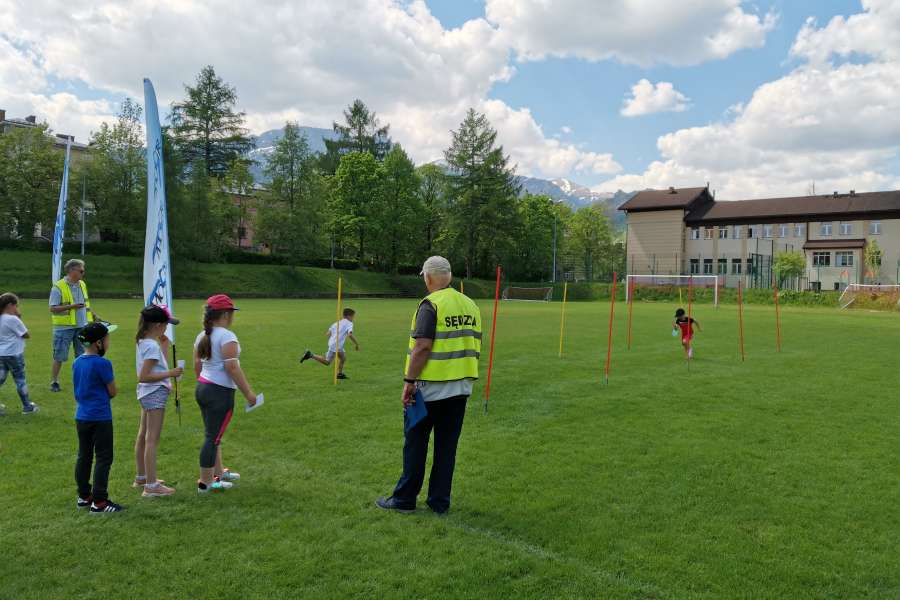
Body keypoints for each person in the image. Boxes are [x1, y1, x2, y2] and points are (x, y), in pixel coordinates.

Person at [376, 256, 481, 515]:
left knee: (415, 444)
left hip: (428, 389)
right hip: (460, 388)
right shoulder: (470, 304)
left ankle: (404, 499)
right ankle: (439, 502)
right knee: (447, 449)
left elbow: (422, 346)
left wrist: (409, 381)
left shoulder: (430, 304)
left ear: (429, 277)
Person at [193, 294, 258, 494]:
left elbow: (197, 364)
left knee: (213, 434)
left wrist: (203, 382)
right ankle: (206, 483)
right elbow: (232, 368)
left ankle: (218, 473)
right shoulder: (227, 336)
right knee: (212, 437)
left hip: (203, 387)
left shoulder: (202, 335)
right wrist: (249, 394)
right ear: (225, 314)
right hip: (219, 392)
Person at [73, 321, 124, 513]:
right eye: (107, 339)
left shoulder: (77, 361)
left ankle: (84, 496)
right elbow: (112, 391)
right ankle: (100, 501)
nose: (109, 342)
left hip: (82, 416)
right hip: (100, 417)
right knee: (103, 457)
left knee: (84, 456)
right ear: (98, 343)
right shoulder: (103, 363)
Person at [133, 305, 183, 497]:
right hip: (154, 392)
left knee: (143, 435)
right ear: (157, 325)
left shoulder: (143, 342)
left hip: (146, 393)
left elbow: (156, 365)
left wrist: (164, 346)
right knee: (152, 439)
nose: (166, 328)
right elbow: (144, 376)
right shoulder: (151, 346)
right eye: (165, 325)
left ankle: (142, 477)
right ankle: (151, 486)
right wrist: (171, 373)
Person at [49, 259, 100, 392]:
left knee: (82, 356)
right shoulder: (58, 287)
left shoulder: (82, 284)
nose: (83, 273)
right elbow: (52, 308)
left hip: (82, 326)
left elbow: (85, 304)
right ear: (72, 270)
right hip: (63, 328)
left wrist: (94, 315)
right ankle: (54, 382)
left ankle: (82, 381)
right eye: (81, 271)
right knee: (59, 356)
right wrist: (72, 306)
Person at [0, 293, 39, 414]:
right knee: (20, 380)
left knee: (1, 379)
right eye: (16, 306)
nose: (17, 308)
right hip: (14, 354)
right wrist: (18, 317)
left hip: (1, 354)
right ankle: (27, 407)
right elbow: (26, 335)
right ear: (10, 305)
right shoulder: (13, 319)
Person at [300, 308, 359, 379]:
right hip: (336, 345)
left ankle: (340, 374)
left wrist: (335, 338)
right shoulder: (349, 323)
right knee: (327, 362)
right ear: (349, 316)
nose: (353, 318)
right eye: (353, 316)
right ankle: (310, 355)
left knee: (343, 358)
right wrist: (356, 344)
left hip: (335, 344)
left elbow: (328, 333)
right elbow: (350, 335)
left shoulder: (337, 323)